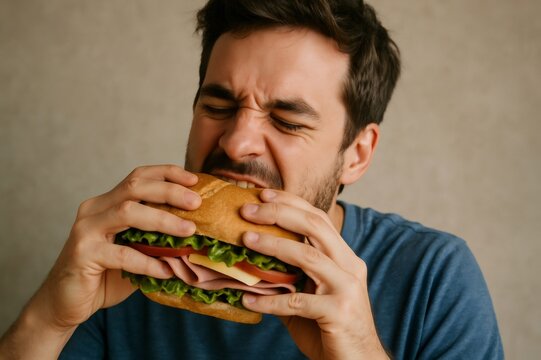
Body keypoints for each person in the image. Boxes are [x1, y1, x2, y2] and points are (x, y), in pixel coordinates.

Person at [0, 0, 503, 359]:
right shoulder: (117, 264)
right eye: (218, 106)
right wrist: (48, 317)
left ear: (356, 154)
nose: (237, 142)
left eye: (287, 121)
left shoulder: (433, 277)